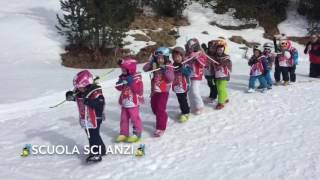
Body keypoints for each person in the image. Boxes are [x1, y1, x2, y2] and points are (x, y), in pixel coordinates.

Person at [66, 70, 106, 162]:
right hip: (86, 118)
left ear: (86, 84)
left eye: (80, 87)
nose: (78, 89)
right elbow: (78, 98)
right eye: (77, 87)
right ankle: (102, 150)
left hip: (95, 117)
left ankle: (96, 154)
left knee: (93, 136)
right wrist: (70, 96)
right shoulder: (81, 92)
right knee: (91, 135)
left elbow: (100, 103)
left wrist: (89, 101)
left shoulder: (96, 92)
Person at [143, 47, 174, 137]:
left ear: (166, 58)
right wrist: (151, 61)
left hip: (164, 90)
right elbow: (145, 69)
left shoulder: (169, 65)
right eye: (158, 58)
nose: (159, 60)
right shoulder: (154, 65)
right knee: (154, 108)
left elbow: (171, 78)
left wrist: (165, 70)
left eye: (161, 58)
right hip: (155, 90)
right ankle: (163, 117)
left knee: (160, 108)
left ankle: (160, 127)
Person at [115, 57, 144, 143]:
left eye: (124, 69)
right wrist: (119, 82)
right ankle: (124, 133)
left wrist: (132, 83)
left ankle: (137, 133)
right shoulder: (123, 77)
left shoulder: (137, 78)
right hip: (125, 102)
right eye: (122, 69)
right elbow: (119, 88)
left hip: (133, 103)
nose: (123, 71)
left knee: (135, 118)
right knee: (123, 118)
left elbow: (138, 90)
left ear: (130, 69)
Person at [185, 38, 208, 115]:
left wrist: (197, 58)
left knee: (195, 91)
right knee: (190, 91)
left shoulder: (201, 54)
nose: (190, 48)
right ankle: (193, 105)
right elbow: (185, 63)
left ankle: (200, 106)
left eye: (192, 46)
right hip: (189, 75)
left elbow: (204, 64)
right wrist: (187, 59)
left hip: (197, 75)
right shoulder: (188, 54)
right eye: (189, 47)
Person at [172, 46, 192, 122]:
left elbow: (189, 73)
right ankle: (184, 109)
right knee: (180, 99)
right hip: (177, 86)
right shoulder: (173, 65)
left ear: (182, 56)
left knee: (182, 99)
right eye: (174, 57)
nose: (176, 59)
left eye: (178, 57)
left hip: (184, 85)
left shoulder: (185, 64)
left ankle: (186, 113)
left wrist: (182, 68)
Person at [211, 40, 232, 109]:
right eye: (218, 50)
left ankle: (221, 103)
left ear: (223, 50)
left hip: (224, 75)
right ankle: (225, 98)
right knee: (220, 88)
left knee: (220, 89)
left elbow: (228, 63)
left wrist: (221, 63)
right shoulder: (214, 57)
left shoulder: (226, 57)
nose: (219, 51)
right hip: (217, 76)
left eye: (221, 50)